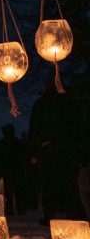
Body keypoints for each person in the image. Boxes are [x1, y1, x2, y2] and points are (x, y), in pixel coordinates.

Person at [29, 81, 83, 223]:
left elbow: (35, 127)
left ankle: (49, 214)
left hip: (49, 147)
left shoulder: (42, 104)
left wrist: (34, 150)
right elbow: (78, 125)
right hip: (68, 148)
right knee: (70, 182)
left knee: (49, 182)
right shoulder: (69, 102)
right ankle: (72, 212)